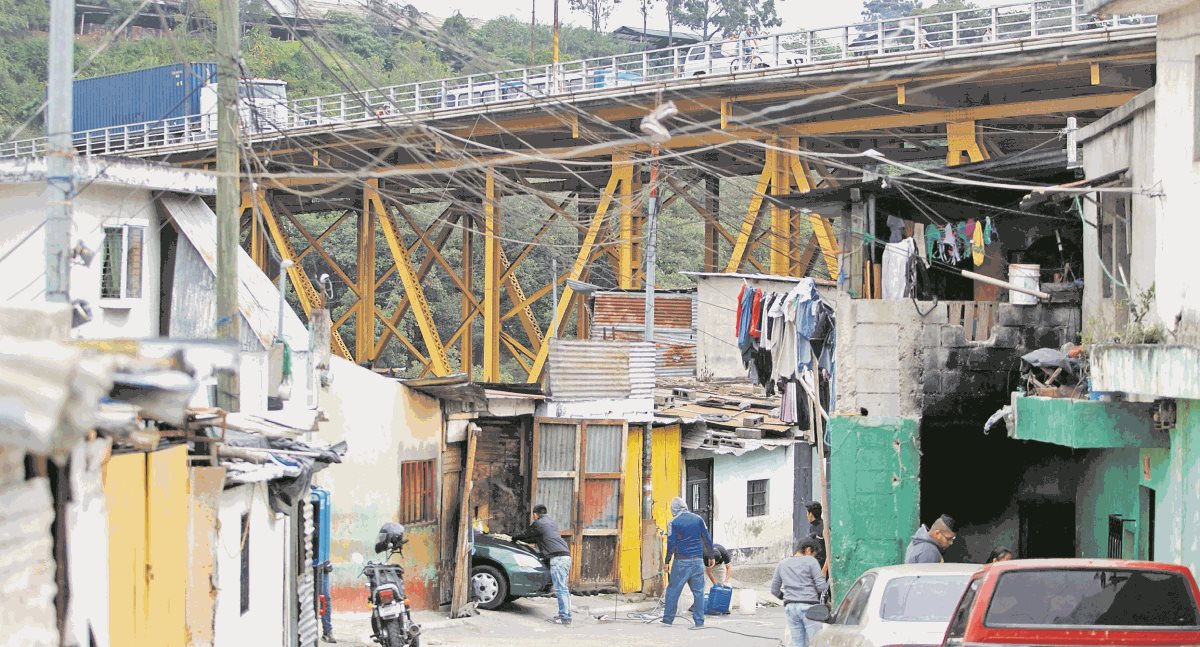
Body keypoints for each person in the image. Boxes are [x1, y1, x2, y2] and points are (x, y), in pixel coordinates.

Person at [514, 504, 572, 625]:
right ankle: (566, 615)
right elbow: (535, 538)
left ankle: (564, 617)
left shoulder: (539, 523)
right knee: (563, 588)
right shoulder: (551, 523)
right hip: (565, 556)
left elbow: (526, 535)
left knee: (561, 589)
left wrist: (514, 538)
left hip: (558, 558)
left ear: (535, 514)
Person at [662, 497, 714, 630]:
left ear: (673, 509)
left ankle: (668, 620)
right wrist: (711, 555)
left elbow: (671, 544)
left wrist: (667, 561)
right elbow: (707, 538)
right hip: (698, 561)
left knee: (673, 590)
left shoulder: (673, 522)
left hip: (681, 561)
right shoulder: (698, 519)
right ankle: (699, 622)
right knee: (698, 592)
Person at [771, 536, 828, 647]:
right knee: (816, 642)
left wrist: (787, 597)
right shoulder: (810, 561)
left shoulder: (782, 563)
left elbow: (774, 590)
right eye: (814, 553)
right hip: (809, 607)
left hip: (790, 608)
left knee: (797, 643)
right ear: (808, 550)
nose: (814, 557)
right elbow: (821, 587)